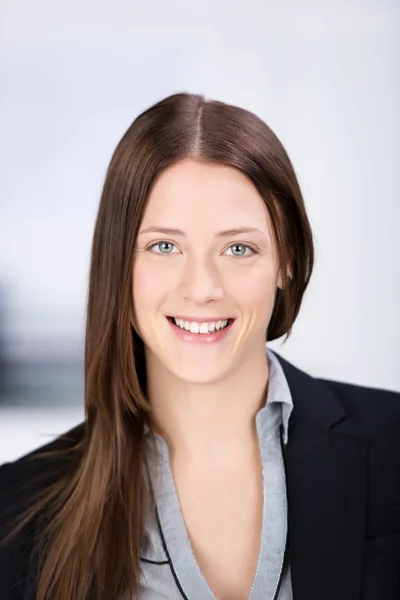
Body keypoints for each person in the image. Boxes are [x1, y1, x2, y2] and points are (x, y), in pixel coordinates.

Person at [0, 92, 399, 600]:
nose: (202, 287)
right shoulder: (15, 512)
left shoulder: (392, 443)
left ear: (287, 261)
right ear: (119, 263)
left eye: (239, 248)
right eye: (164, 246)